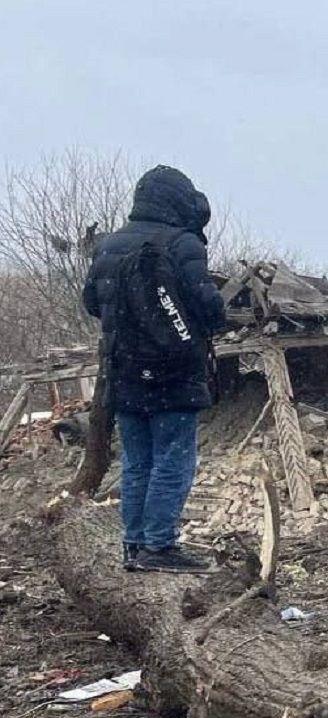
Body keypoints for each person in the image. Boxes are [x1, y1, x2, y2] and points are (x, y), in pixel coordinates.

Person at [82, 166, 224, 573]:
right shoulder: (182, 244)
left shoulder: (108, 246)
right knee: (173, 458)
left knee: (137, 460)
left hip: (123, 372)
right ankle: (159, 547)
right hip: (174, 374)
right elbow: (209, 309)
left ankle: (134, 544)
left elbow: (92, 303)